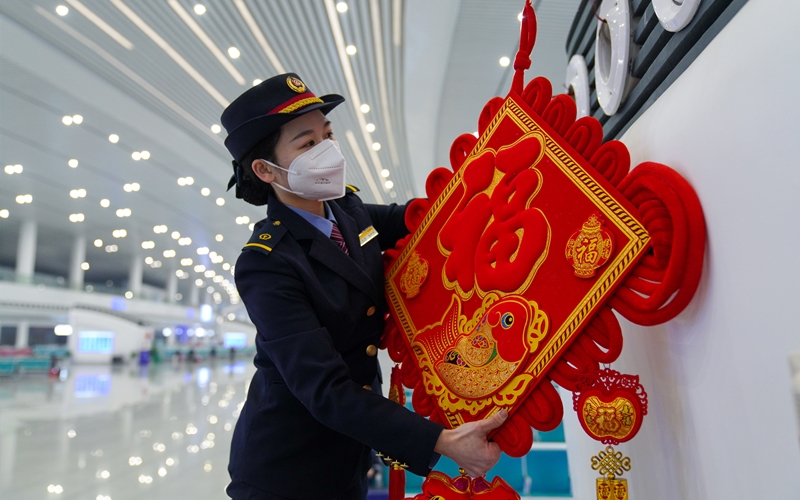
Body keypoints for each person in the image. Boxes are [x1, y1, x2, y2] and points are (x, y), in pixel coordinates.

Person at [222, 73, 505, 500]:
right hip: (287, 470)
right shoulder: (267, 263)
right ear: (264, 169)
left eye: (328, 135)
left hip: (348, 454)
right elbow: (325, 389)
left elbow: (420, 218)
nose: (328, 152)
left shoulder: (349, 211)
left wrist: (490, 191)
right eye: (307, 144)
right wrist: (440, 441)